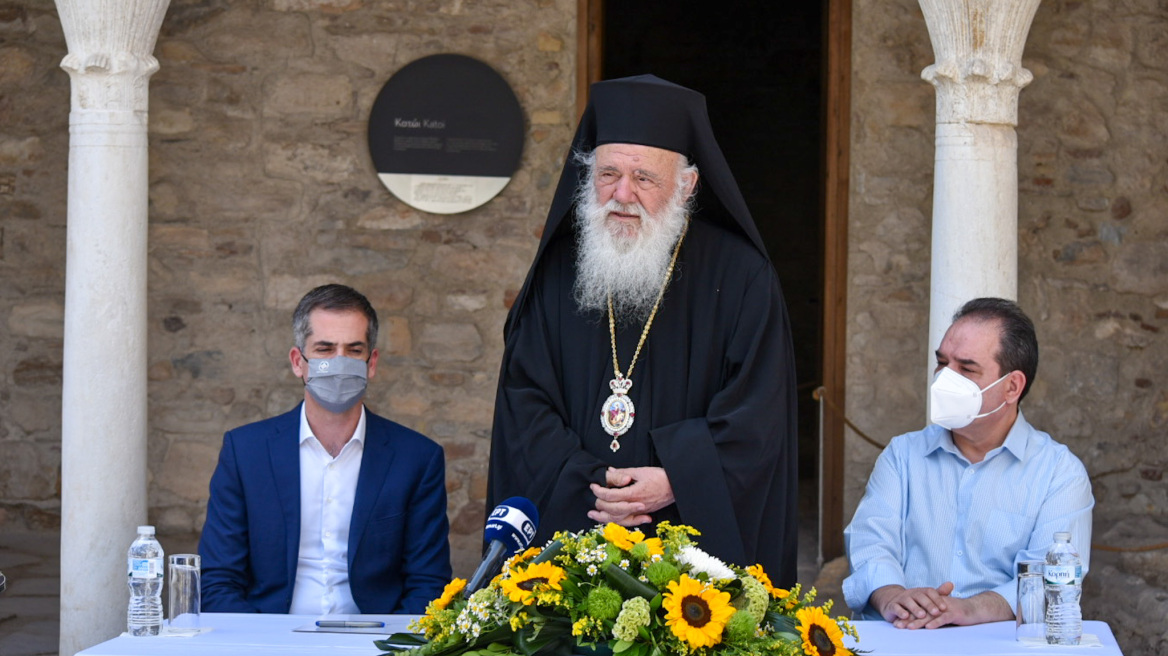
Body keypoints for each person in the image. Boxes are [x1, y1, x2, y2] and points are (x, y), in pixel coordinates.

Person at [486, 75, 800, 585]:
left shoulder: (742, 278)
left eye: (644, 178)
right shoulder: (558, 272)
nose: (622, 194)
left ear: (687, 185)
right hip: (576, 533)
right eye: (608, 173)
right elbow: (524, 398)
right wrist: (590, 481)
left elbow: (758, 415)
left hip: (693, 562)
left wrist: (681, 477)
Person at [843, 297, 1094, 629]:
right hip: (903, 637)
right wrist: (890, 595)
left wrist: (969, 609)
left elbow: (1050, 579)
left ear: (1012, 386)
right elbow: (871, 540)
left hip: (999, 646)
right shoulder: (901, 455)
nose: (945, 379)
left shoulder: (1059, 474)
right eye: (942, 362)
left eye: (966, 368)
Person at [199, 284, 451, 614]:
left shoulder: (416, 459)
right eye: (324, 349)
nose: (339, 362)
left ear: (371, 362)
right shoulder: (246, 453)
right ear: (297, 362)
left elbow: (428, 584)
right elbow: (218, 580)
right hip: (271, 643)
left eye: (354, 350)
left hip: (373, 645)